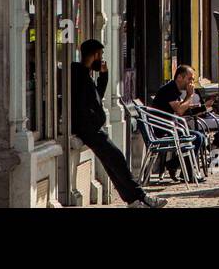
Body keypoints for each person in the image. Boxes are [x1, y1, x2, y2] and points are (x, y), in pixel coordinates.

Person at [71, 39, 166, 208]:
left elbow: (97, 99)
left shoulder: (85, 75)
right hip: (89, 130)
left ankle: (134, 200)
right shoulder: (79, 75)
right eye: (100, 55)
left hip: (92, 129)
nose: (102, 58)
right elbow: (84, 106)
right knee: (117, 160)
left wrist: (104, 76)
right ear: (94, 55)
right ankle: (141, 197)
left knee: (112, 165)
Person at [152, 65, 219, 161]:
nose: (191, 82)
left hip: (172, 126)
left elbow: (182, 108)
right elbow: (180, 111)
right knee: (197, 137)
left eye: (193, 80)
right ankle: (180, 168)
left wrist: (201, 106)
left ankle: (179, 168)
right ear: (179, 77)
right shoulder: (169, 89)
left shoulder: (175, 89)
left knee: (200, 136)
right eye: (189, 79)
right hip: (163, 129)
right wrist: (190, 95)